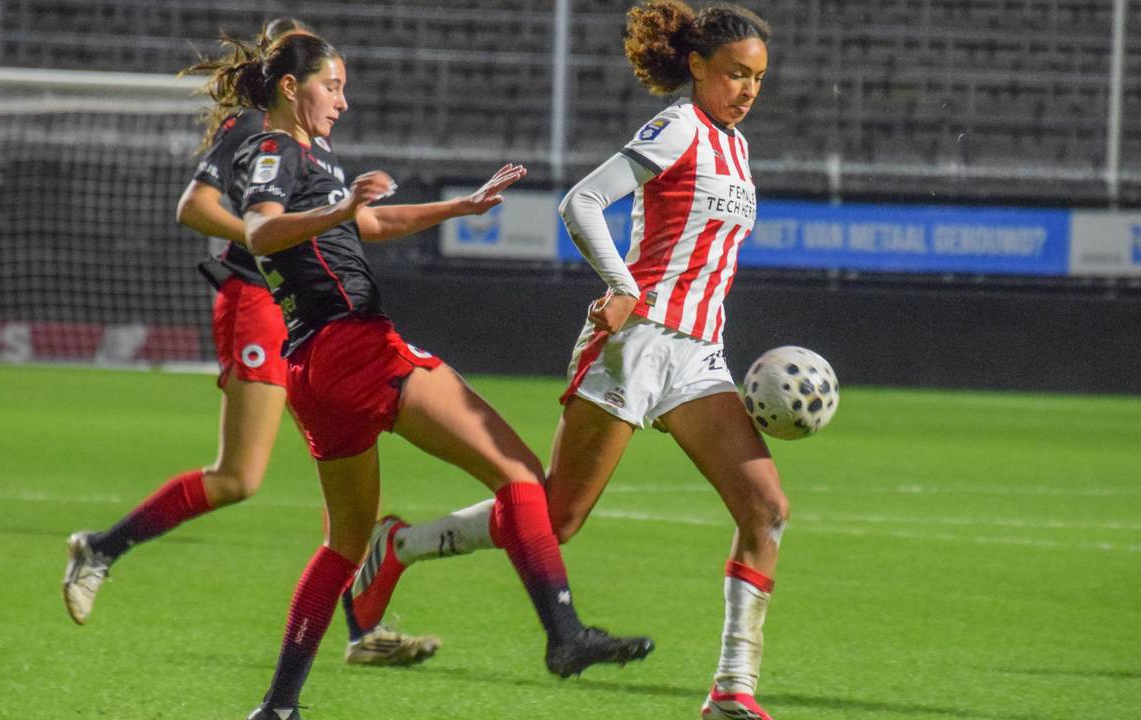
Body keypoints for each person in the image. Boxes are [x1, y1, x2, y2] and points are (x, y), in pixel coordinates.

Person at [346, 2, 783, 717]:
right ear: (697, 67)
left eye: (757, 78)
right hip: (636, 342)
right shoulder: (679, 128)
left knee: (765, 510)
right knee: (558, 515)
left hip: (700, 356)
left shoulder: (735, 146)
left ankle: (732, 691)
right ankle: (398, 547)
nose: (747, 88)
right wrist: (622, 286)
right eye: (735, 73)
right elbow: (582, 202)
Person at [206, 31, 652, 720]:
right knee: (521, 476)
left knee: (344, 545)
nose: (343, 102)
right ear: (291, 88)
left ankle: (278, 706)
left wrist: (459, 207)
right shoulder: (274, 149)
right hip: (354, 344)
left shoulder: (312, 152)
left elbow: (368, 228)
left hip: (312, 369)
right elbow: (261, 231)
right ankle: (565, 635)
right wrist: (341, 208)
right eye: (332, 86)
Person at [61, 18, 439, 669]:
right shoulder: (253, 130)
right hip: (259, 304)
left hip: (313, 321)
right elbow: (194, 206)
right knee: (239, 476)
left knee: (344, 479)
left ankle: (358, 630)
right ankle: (100, 548)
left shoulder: (310, 145)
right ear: (282, 76)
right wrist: (271, 241)